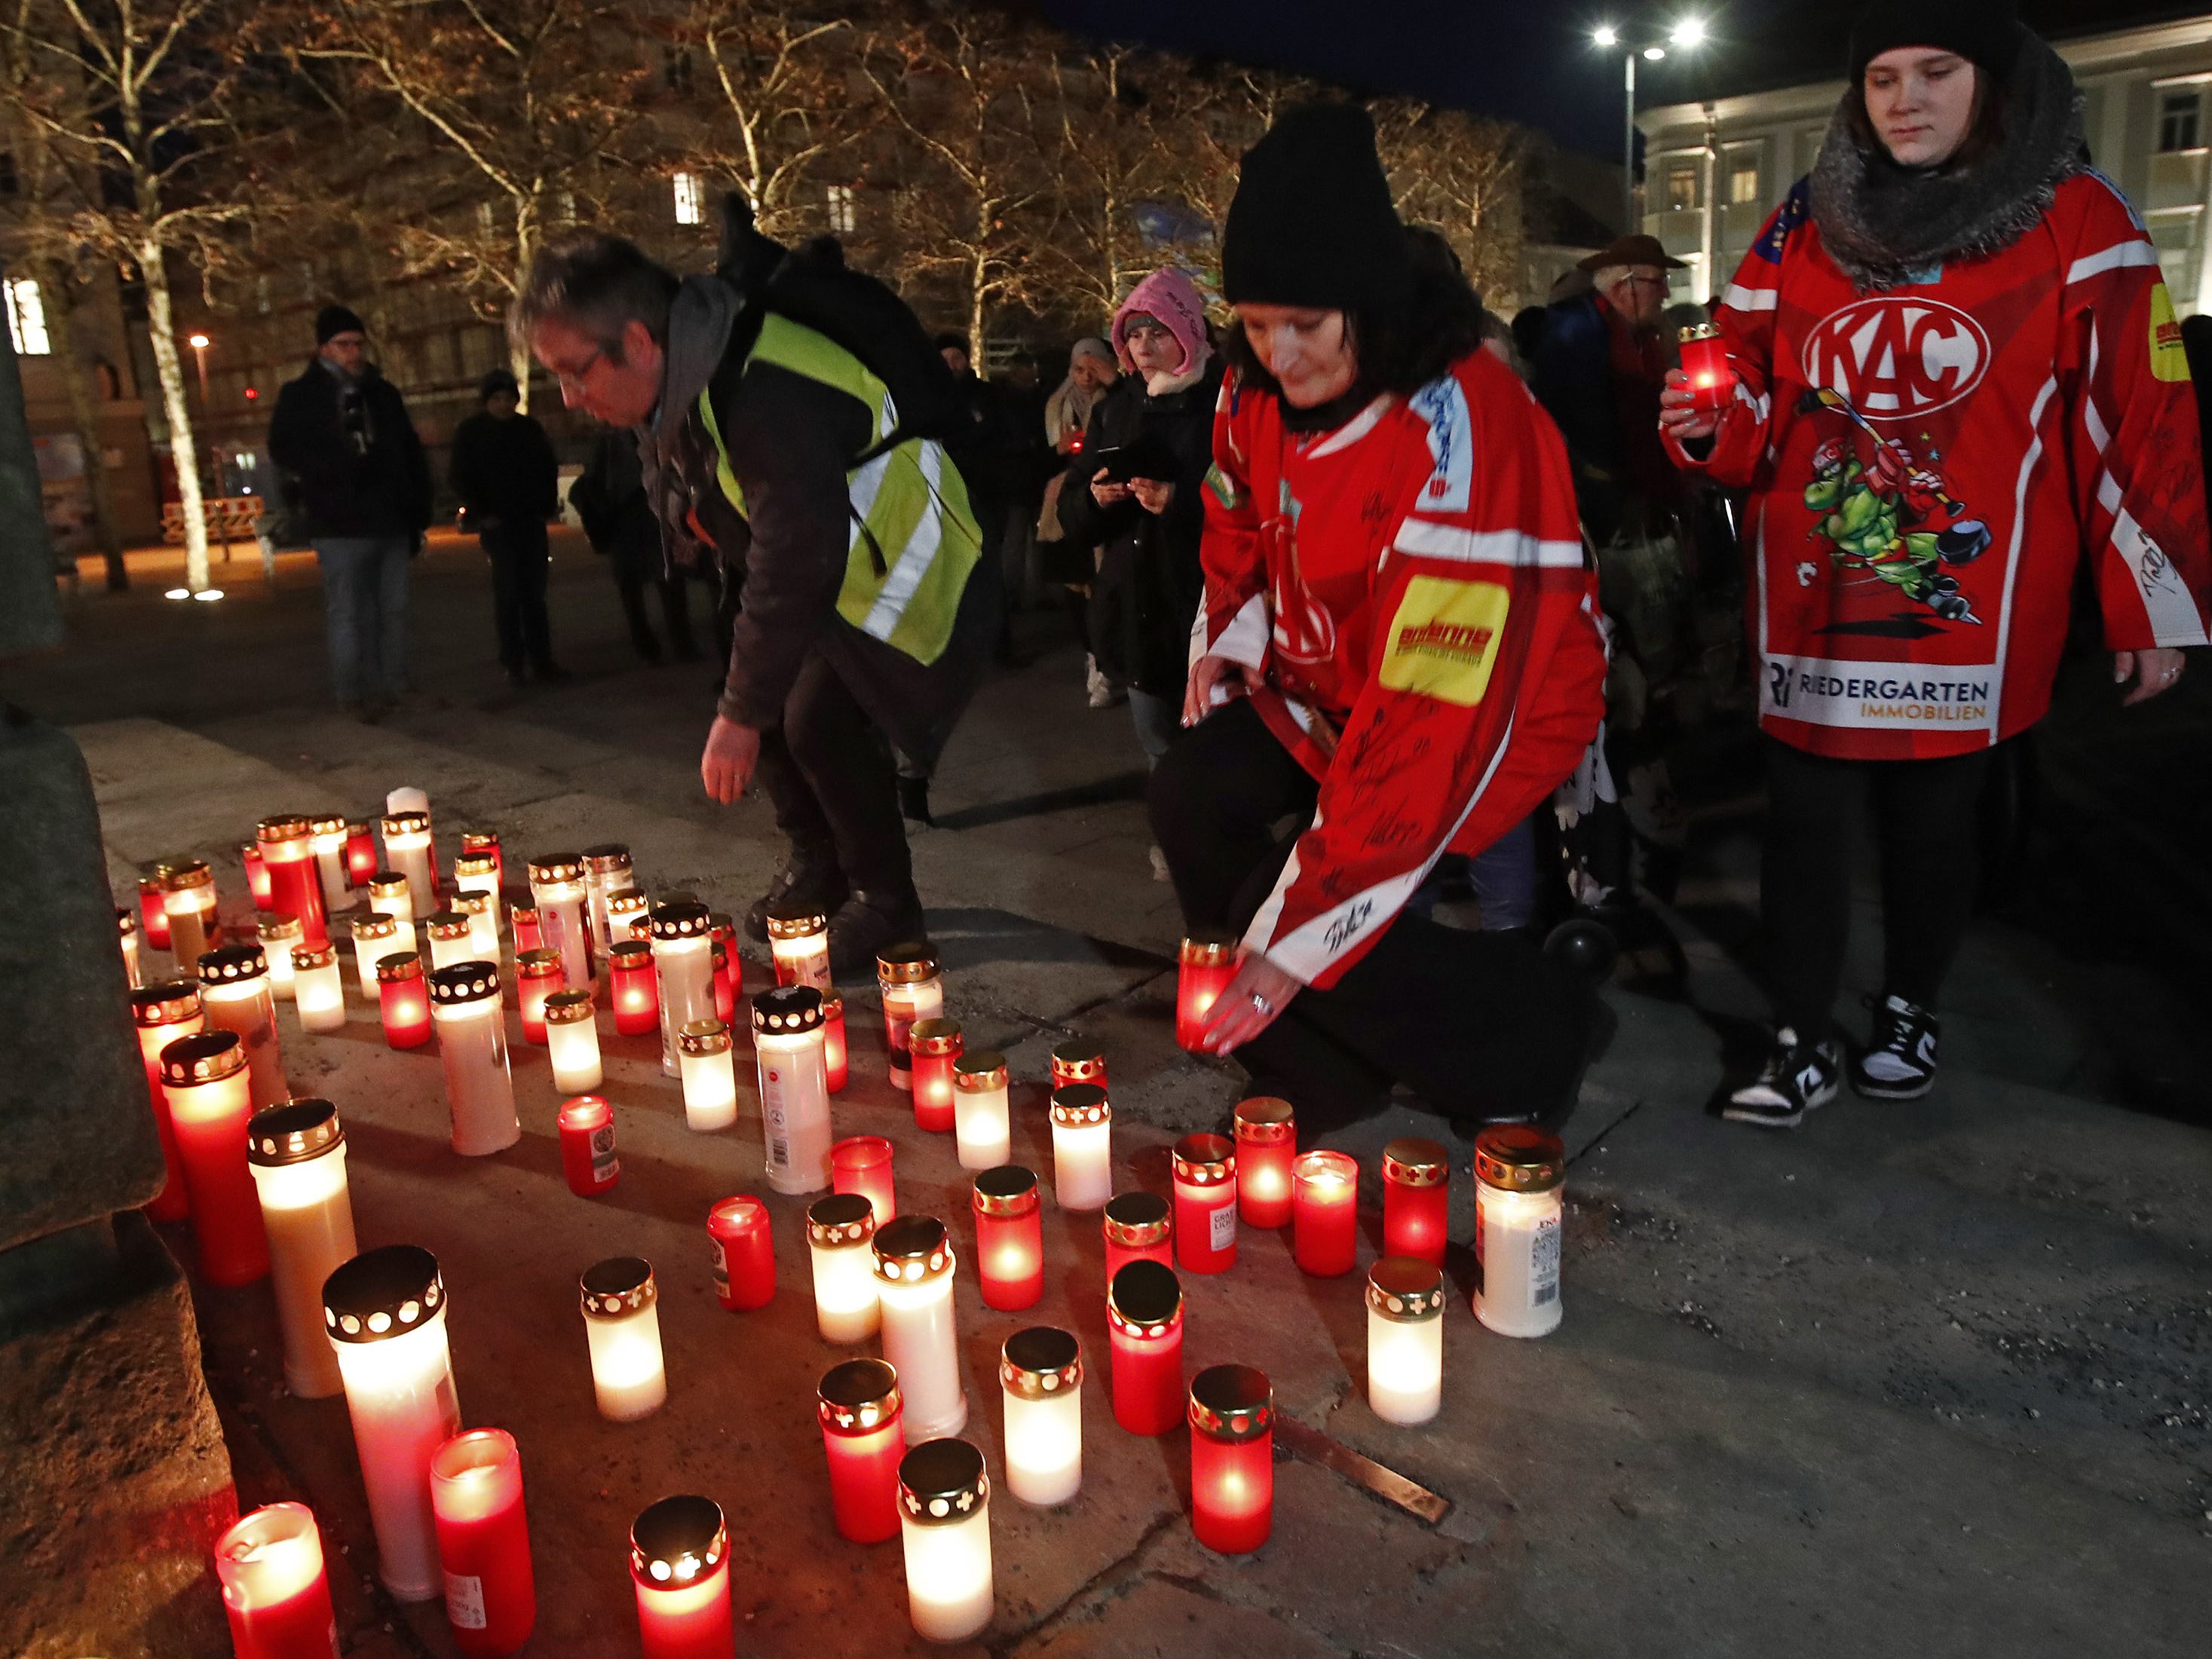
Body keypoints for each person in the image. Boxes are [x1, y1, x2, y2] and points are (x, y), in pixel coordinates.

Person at [1659, 0, 2210, 1125]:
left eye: (1934, 70)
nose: (1903, 99)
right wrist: (1707, 412)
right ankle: (1797, 1037)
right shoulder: (1806, 218)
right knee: (1804, 825)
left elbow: (2138, 414)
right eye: (1880, 78)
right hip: (1814, 593)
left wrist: (2149, 603)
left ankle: (1909, 1005)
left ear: (1991, 82)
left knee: (1930, 829)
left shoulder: (2077, 215)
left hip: (1978, 601)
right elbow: (1739, 360)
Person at [1150, 104, 1610, 1135]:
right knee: (1190, 796)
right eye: (1257, 326)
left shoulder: (1463, 423)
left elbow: (1429, 707)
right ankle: (1323, 1062)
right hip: (1331, 680)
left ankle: (1531, 1033)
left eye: (1305, 327)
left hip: (1492, 700)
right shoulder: (1252, 389)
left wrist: (1293, 935)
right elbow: (1233, 508)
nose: (1280, 356)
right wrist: (1228, 639)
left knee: (1305, 908)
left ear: (1370, 300)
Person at [516, 230, 995, 969]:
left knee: (814, 721)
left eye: (574, 373)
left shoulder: (762, 390)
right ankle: (821, 866)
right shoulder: (696, 372)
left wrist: (740, 713)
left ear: (639, 342)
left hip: (899, 554)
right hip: (840, 556)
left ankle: (888, 905)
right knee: (762, 703)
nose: (570, 399)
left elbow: (795, 556)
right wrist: (743, 699)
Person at [1535, 234, 1699, 917]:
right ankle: (1614, 847)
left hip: (1638, 518)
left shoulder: (1639, 335)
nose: (1664, 295)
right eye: (1658, 283)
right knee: (1625, 679)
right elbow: (1577, 434)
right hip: (1608, 532)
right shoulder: (1578, 334)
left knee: (1651, 679)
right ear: (1627, 282)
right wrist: (1614, 499)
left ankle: (1643, 824)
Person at [1055, 267, 1218, 800]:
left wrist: (1181, 501)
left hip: (1204, 599)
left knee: (1214, 738)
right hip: (1136, 600)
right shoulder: (1116, 408)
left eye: (1158, 331)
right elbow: (1072, 504)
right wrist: (1093, 500)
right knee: (1157, 741)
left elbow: (1254, 493)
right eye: (1133, 332)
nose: (1143, 345)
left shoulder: (1222, 402)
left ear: (1188, 332)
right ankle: (1176, 832)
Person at [267, 305, 431, 720]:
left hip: (388, 518)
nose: (354, 352)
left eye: (358, 343)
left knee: (393, 610)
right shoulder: (302, 396)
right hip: (339, 520)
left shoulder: (382, 393)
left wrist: (415, 509)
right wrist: (332, 467)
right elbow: (284, 449)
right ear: (324, 347)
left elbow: (409, 453)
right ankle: (352, 693)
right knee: (349, 612)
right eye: (344, 344)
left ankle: (394, 683)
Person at [448, 367, 568, 687]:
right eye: (497, 398)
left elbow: (546, 468)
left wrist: (544, 506)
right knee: (509, 592)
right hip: (498, 524)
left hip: (529, 520)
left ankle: (541, 658)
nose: (503, 405)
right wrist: (481, 512)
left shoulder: (528, 429)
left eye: (508, 398)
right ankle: (513, 660)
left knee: (534, 594)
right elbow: (461, 476)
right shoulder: (472, 433)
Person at [568, 425, 700, 663]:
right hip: (631, 519)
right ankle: (667, 644)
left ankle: (660, 645)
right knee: (655, 584)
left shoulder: (621, 435)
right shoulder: (629, 435)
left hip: (639, 518)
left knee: (657, 583)